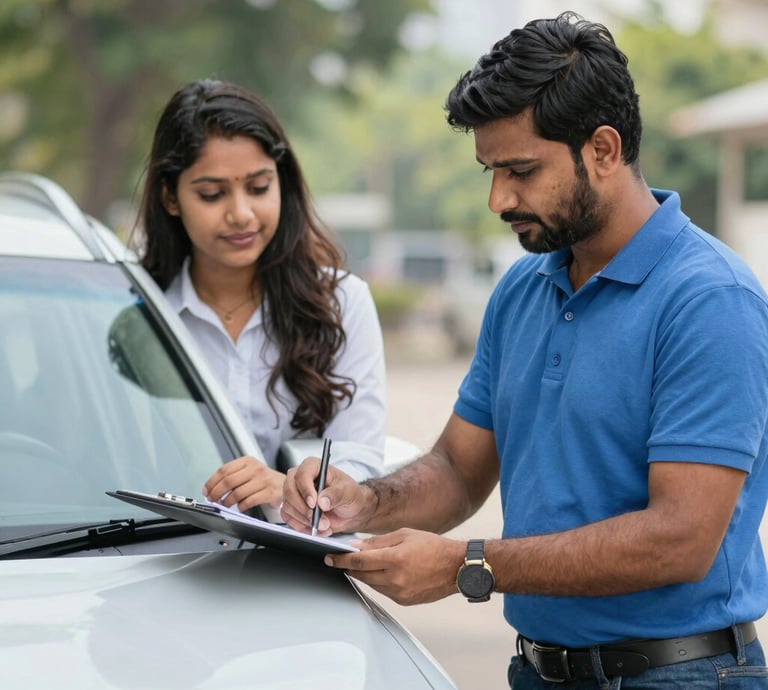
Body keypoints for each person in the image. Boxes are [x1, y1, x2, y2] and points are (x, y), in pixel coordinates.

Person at [281, 12, 768, 689]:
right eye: (490, 170)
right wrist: (361, 502)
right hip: (536, 671)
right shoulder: (522, 289)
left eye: (520, 170)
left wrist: (468, 564)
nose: (497, 198)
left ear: (603, 150)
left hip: (679, 675)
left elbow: (680, 540)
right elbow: (458, 470)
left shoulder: (710, 300)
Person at [133, 78, 387, 514]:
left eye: (258, 187)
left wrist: (286, 487)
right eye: (212, 194)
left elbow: (359, 465)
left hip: (299, 551)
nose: (241, 214)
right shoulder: (139, 315)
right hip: (160, 546)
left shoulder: (342, 304)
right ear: (170, 198)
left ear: (281, 184)